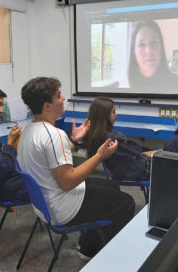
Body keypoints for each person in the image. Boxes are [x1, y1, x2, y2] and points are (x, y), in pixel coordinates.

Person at [17, 77, 135, 260]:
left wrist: (73, 141)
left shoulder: (29, 131)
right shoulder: (53, 134)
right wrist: (99, 156)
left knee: (111, 187)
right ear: (47, 105)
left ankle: (88, 247)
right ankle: (112, 258)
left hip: (44, 205)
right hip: (61, 207)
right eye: (58, 96)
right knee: (125, 202)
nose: (63, 98)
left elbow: (49, 161)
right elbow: (68, 181)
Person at [84, 97, 152, 181]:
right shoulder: (110, 138)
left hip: (133, 167)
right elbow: (137, 149)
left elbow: (134, 149)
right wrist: (133, 154)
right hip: (138, 170)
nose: (115, 114)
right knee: (167, 164)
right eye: (113, 112)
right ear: (105, 115)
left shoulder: (97, 134)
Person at [127, 20, 178, 90]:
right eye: (141, 44)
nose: (149, 51)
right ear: (134, 51)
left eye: (154, 43)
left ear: (160, 48)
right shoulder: (125, 86)